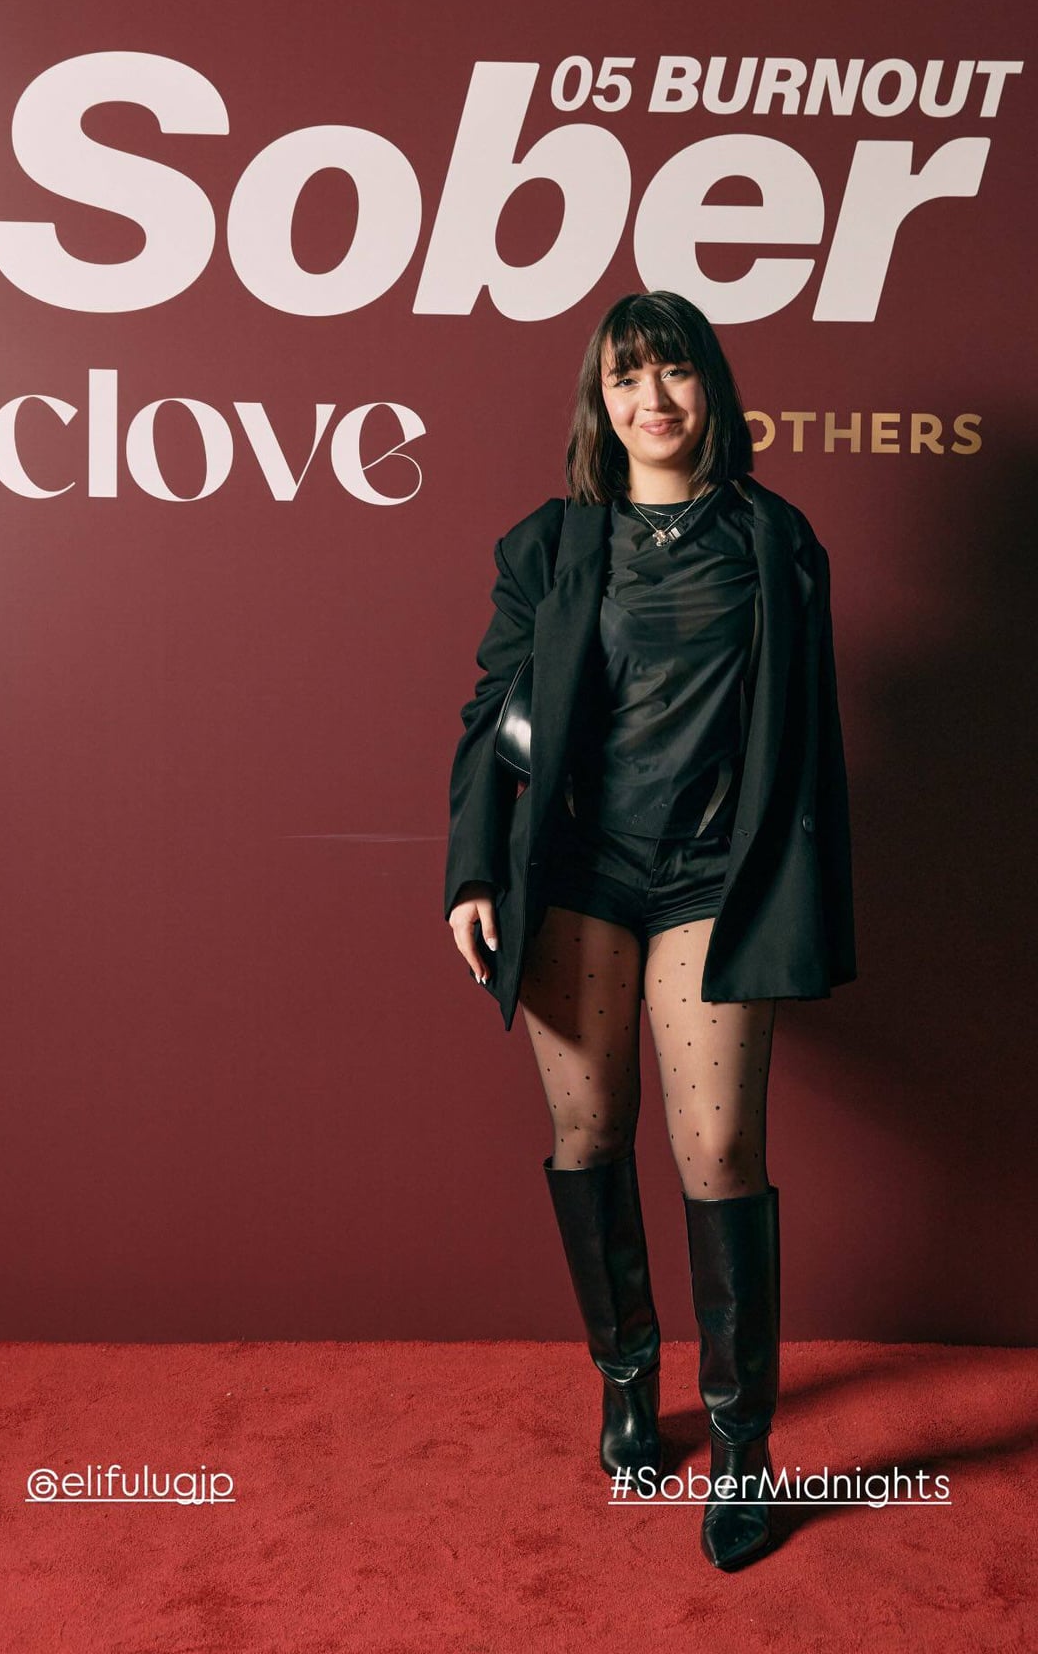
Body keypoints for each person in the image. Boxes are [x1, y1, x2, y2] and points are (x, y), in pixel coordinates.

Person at [444, 290, 857, 1572]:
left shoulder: (775, 539)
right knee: (589, 1133)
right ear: (600, 403)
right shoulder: (551, 544)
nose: (651, 399)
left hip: (714, 878)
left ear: (709, 389)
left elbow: (810, 740)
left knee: (720, 1147)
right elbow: (491, 718)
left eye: (672, 372)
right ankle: (628, 1381)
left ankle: (742, 1446)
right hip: (578, 873)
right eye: (625, 378)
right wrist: (474, 871)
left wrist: (801, 889)